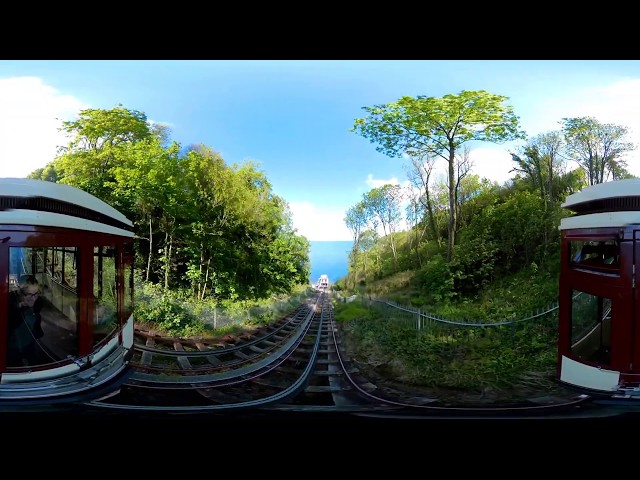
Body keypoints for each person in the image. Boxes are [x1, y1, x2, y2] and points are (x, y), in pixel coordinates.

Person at [7, 275, 45, 367]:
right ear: (21, 293)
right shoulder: (9, 301)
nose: (33, 298)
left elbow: (36, 315)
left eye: (36, 294)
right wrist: (19, 307)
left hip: (29, 340)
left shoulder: (38, 301)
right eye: (29, 295)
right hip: (12, 343)